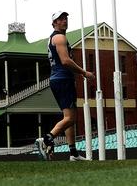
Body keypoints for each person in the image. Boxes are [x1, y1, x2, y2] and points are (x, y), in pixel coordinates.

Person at [35, 11, 95, 161]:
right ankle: (47, 139)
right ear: (54, 23)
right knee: (70, 118)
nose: (64, 21)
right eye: (60, 19)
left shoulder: (53, 38)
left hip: (58, 79)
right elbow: (65, 60)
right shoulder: (60, 37)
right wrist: (84, 72)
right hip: (63, 79)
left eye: (65, 18)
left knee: (69, 117)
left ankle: (73, 153)